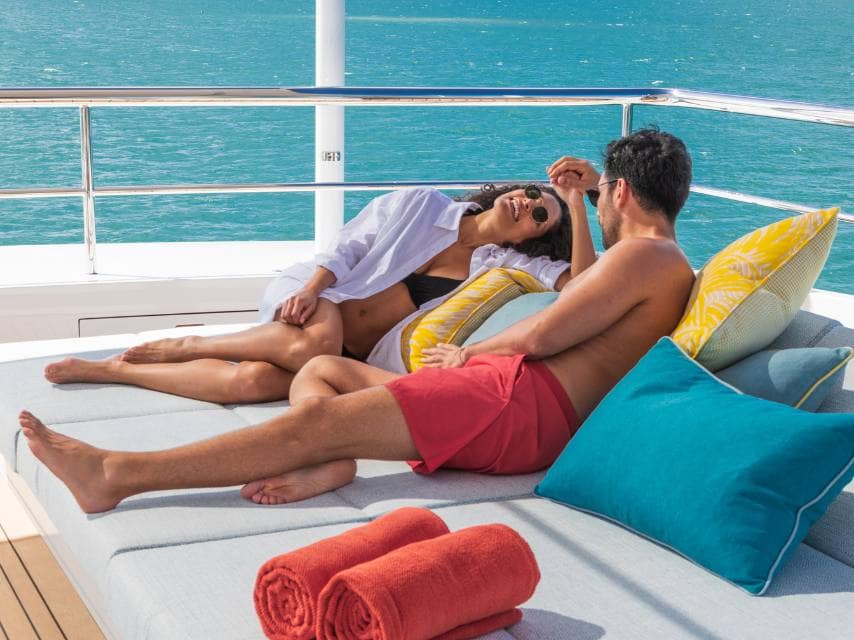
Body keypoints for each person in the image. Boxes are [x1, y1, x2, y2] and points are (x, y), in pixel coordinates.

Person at [19, 128, 696, 513]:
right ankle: (330, 461)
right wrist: (578, 199)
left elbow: (547, 330)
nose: (594, 206)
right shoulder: (666, 262)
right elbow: (579, 303)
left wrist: (471, 355)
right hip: (519, 405)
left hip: (515, 403)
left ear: (620, 192)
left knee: (316, 417)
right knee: (321, 370)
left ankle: (118, 474)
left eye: (600, 196)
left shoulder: (644, 256)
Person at [42, 180, 596, 402]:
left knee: (254, 383)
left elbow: (585, 285)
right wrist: (313, 290)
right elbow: (349, 246)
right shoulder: (422, 203)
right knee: (316, 344)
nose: (529, 204)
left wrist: (576, 203)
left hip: (354, 352)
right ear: (507, 191)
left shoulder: (502, 264)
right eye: (532, 193)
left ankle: (116, 371)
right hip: (321, 298)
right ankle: (187, 346)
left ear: (531, 238)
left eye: (540, 214)